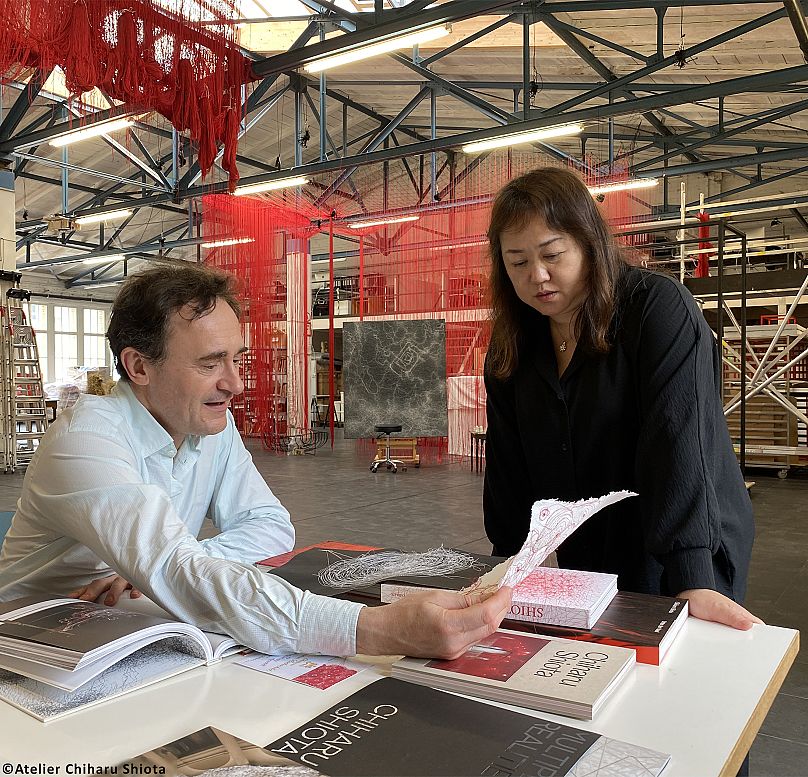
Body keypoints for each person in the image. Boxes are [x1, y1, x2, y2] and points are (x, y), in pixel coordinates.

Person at [0, 263, 511, 659]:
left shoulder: (209, 426)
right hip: (28, 645)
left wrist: (173, 566)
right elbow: (177, 568)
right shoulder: (87, 438)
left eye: (236, 358)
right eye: (209, 363)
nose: (235, 384)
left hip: (129, 628)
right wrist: (377, 628)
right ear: (138, 366)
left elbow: (270, 525)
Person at [483, 167, 761, 631]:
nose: (538, 275)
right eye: (517, 262)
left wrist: (693, 575)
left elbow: (679, 441)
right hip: (591, 539)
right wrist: (505, 567)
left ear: (590, 242)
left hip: (687, 533)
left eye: (553, 254)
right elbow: (508, 465)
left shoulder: (656, 309)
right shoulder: (513, 344)